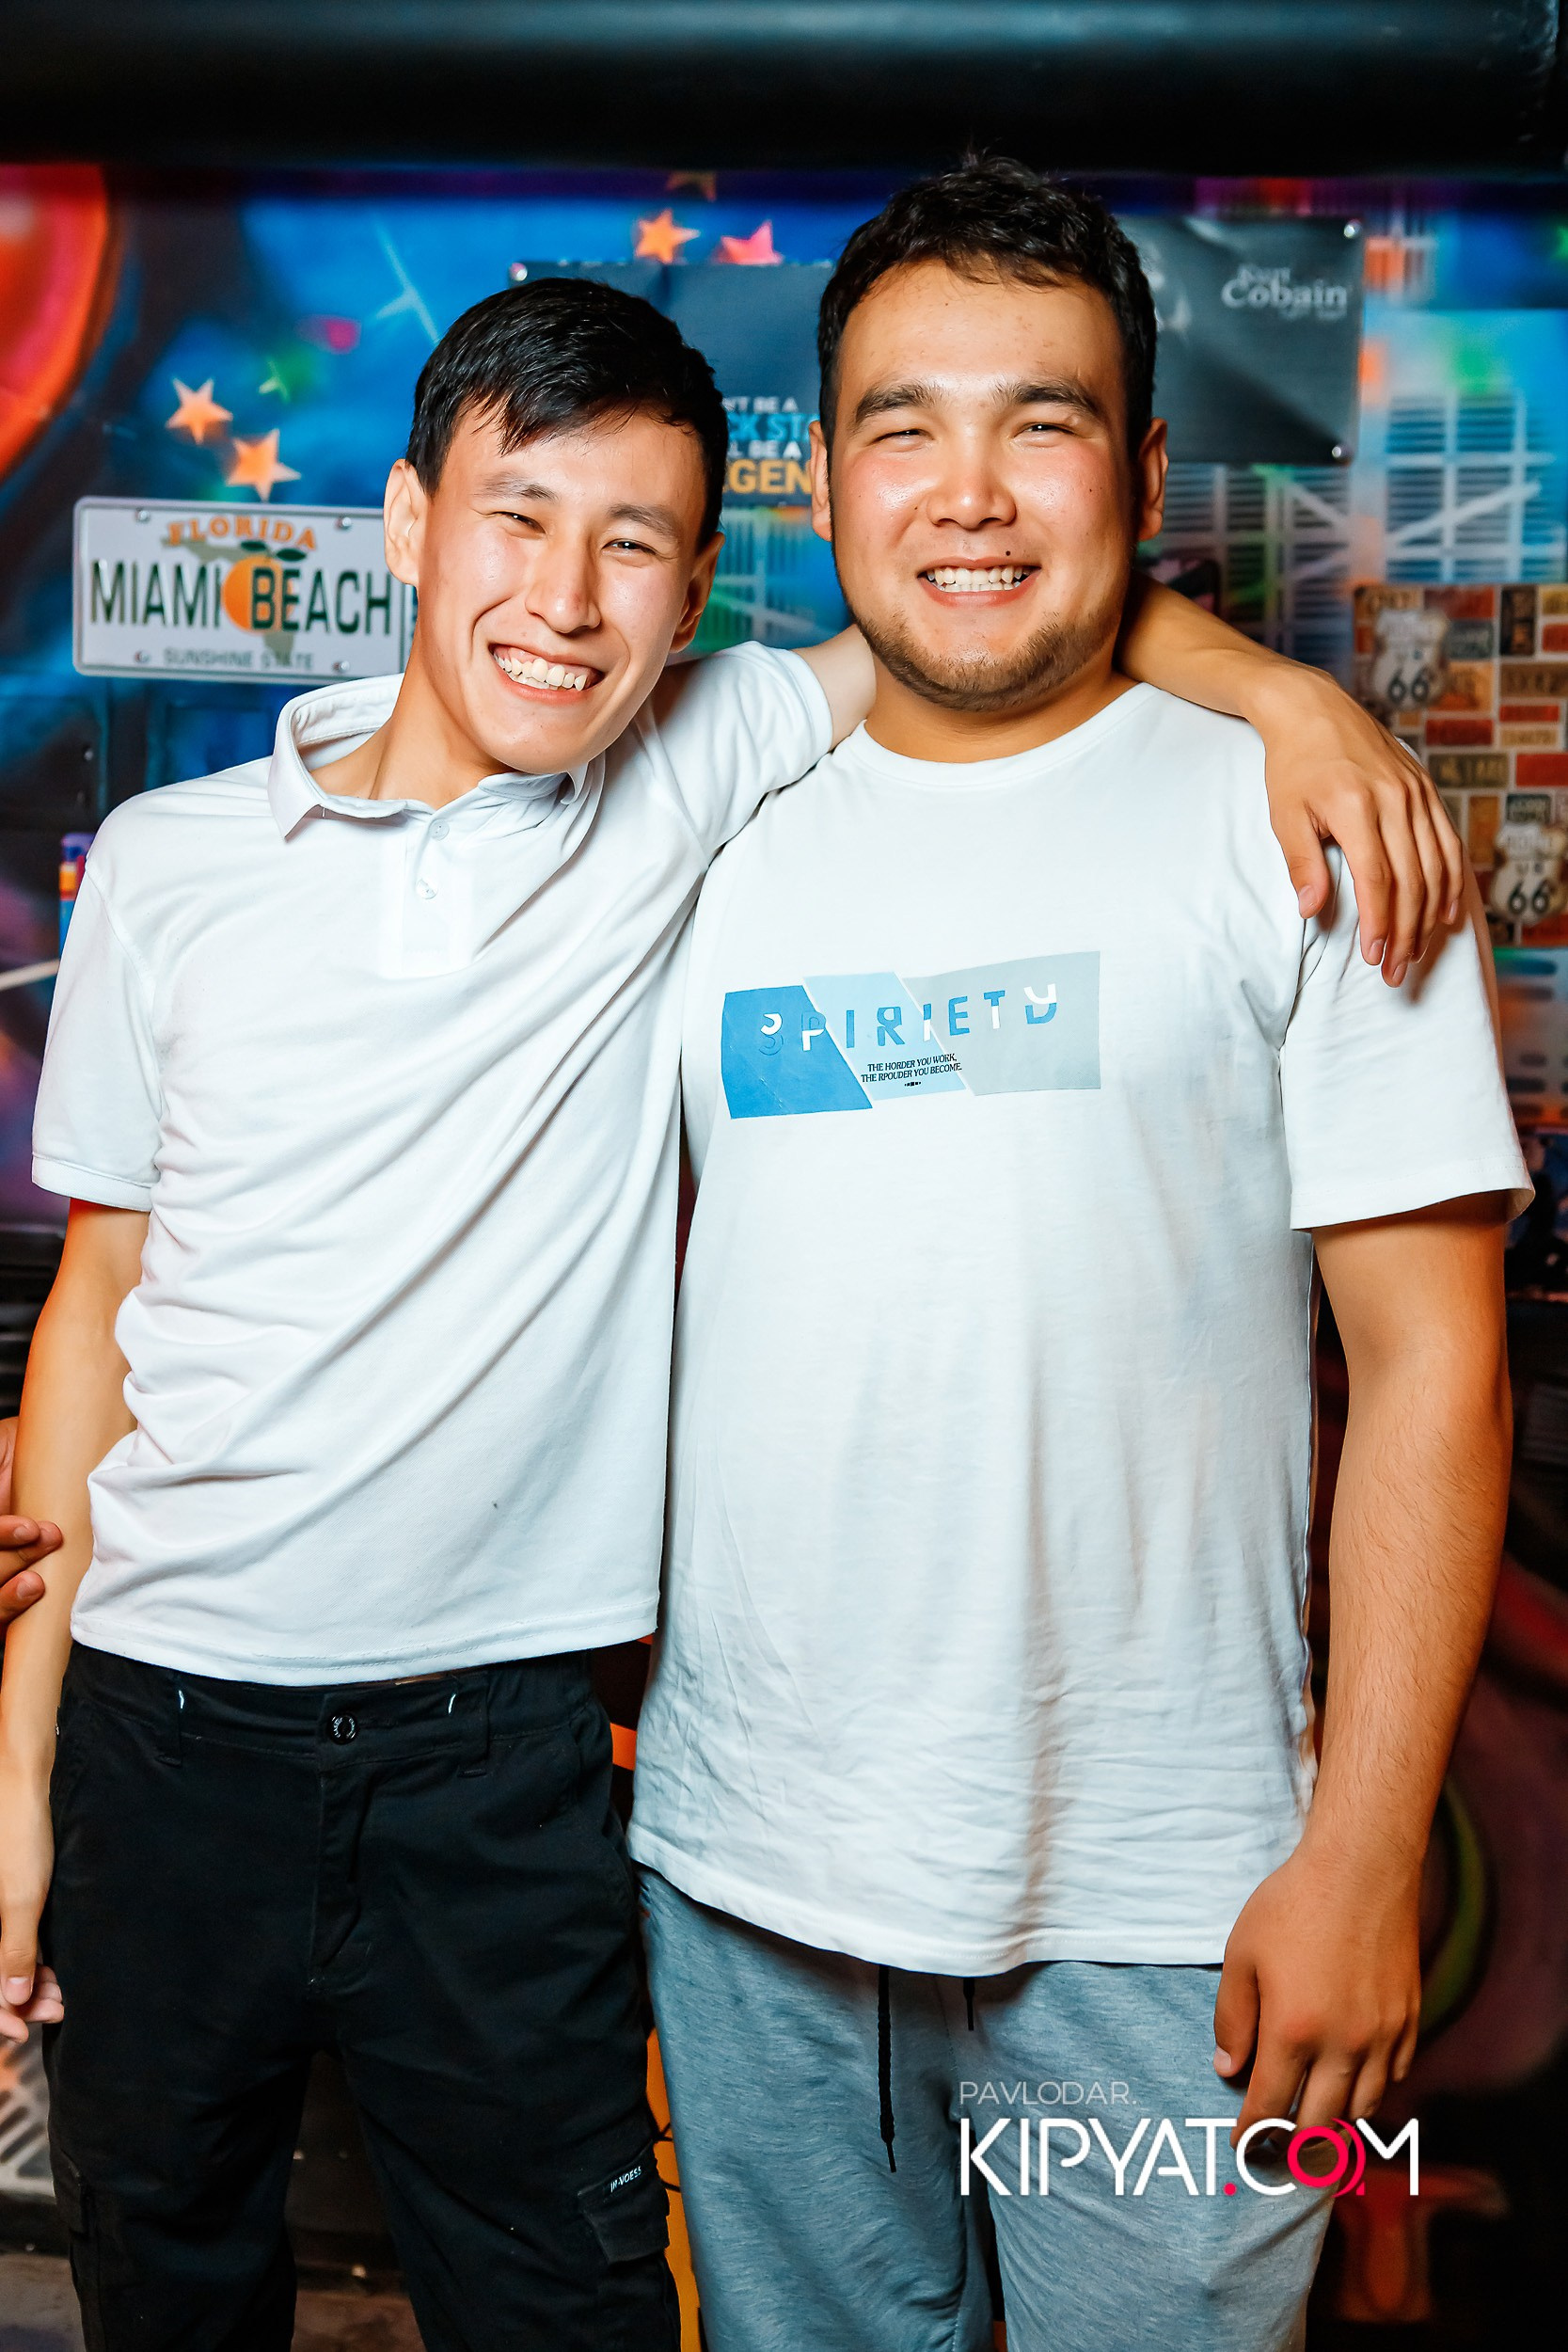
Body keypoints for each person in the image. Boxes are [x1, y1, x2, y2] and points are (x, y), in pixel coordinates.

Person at [0, 256, 1458, 2344]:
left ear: (697, 595)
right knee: (164, 2282)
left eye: (635, 547)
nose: (566, 595)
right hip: (231, 1734)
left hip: (554, 1757)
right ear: (406, 522)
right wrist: (18, 1766)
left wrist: (1296, 696)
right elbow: (108, 1297)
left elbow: (993, 594)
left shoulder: (707, 772)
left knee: (569, 2303)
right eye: (517, 517)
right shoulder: (186, 860)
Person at [627, 160, 1528, 2352]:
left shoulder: (1316, 826)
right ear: (819, 476)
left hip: (1181, 1906)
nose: (970, 492)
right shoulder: (692, 818)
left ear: (1140, 465)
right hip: (750, 1887)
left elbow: (1436, 1367)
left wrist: (1363, 1855)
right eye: (903, 426)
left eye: (1040, 423)